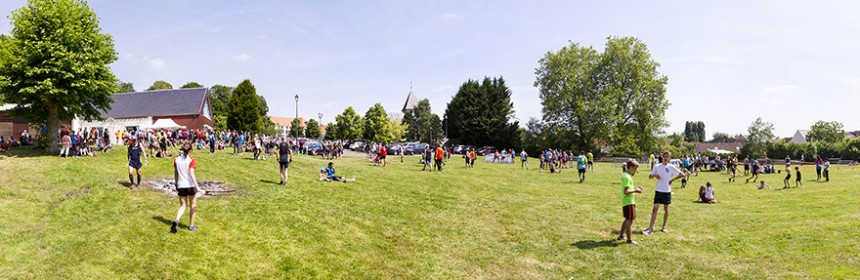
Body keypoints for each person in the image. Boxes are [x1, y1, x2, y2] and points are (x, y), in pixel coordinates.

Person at [643, 151, 685, 235]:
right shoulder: (657, 166)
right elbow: (650, 176)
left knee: (666, 209)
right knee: (655, 208)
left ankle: (663, 227)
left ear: (669, 158)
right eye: (664, 156)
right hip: (658, 190)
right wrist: (655, 175)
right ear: (662, 157)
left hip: (667, 191)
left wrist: (672, 180)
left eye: (667, 157)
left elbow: (682, 174)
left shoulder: (671, 167)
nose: (666, 158)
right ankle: (650, 227)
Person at [171, 143, 202, 233]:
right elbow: (192, 174)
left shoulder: (176, 160)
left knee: (183, 206)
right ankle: (191, 226)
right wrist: (198, 187)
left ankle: (176, 219)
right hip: (190, 186)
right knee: (193, 205)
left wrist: (176, 184)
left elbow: (176, 174)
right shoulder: (191, 160)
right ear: (190, 151)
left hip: (181, 186)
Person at [617, 159, 643, 245]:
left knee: (628, 218)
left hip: (627, 201)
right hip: (628, 201)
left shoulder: (625, 175)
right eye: (635, 168)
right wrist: (636, 190)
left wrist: (635, 189)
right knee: (629, 220)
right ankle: (629, 239)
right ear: (631, 167)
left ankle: (621, 235)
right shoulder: (627, 177)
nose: (636, 171)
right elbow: (626, 191)